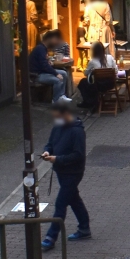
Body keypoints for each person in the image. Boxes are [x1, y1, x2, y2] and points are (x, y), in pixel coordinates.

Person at [39, 99, 90, 247]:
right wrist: (47, 151)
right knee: (74, 199)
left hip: (73, 172)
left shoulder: (77, 131)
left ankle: (51, 237)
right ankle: (84, 228)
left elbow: (78, 155)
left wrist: (57, 159)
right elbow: (50, 143)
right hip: (61, 170)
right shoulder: (58, 126)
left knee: (61, 203)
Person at [29, 30, 73, 101]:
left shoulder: (43, 48)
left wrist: (48, 62)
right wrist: (56, 74)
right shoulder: (40, 48)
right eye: (54, 39)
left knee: (64, 73)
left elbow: (43, 63)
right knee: (57, 80)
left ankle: (61, 95)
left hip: (42, 72)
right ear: (49, 39)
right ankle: (55, 100)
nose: (56, 41)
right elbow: (44, 65)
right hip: (36, 75)